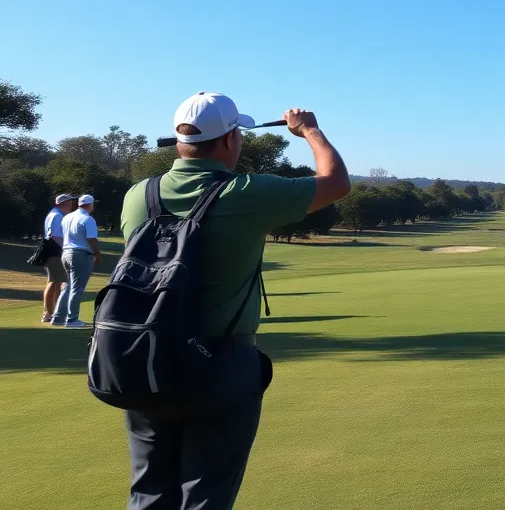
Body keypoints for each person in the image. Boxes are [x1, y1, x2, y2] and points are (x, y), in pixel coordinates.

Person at [118, 92, 350, 510]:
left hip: (144, 360)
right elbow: (336, 183)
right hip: (220, 365)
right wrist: (309, 131)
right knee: (206, 497)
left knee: (149, 493)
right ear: (228, 140)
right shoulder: (244, 192)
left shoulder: (139, 194)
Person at [50, 193, 101, 328]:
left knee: (67, 287)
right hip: (81, 254)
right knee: (77, 288)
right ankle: (72, 319)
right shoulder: (88, 219)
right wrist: (97, 253)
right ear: (90, 205)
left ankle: (58, 317)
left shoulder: (67, 217)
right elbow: (91, 239)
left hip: (66, 253)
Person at [41, 193, 76, 323]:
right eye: (69, 202)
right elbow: (55, 236)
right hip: (54, 251)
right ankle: (48, 313)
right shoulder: (56, 216)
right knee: (54, 281)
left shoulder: (56, 214)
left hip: (54, 251)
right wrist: (66, 247)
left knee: (57, 282)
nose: (71, 204)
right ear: (63, 204)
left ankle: (53, 312)